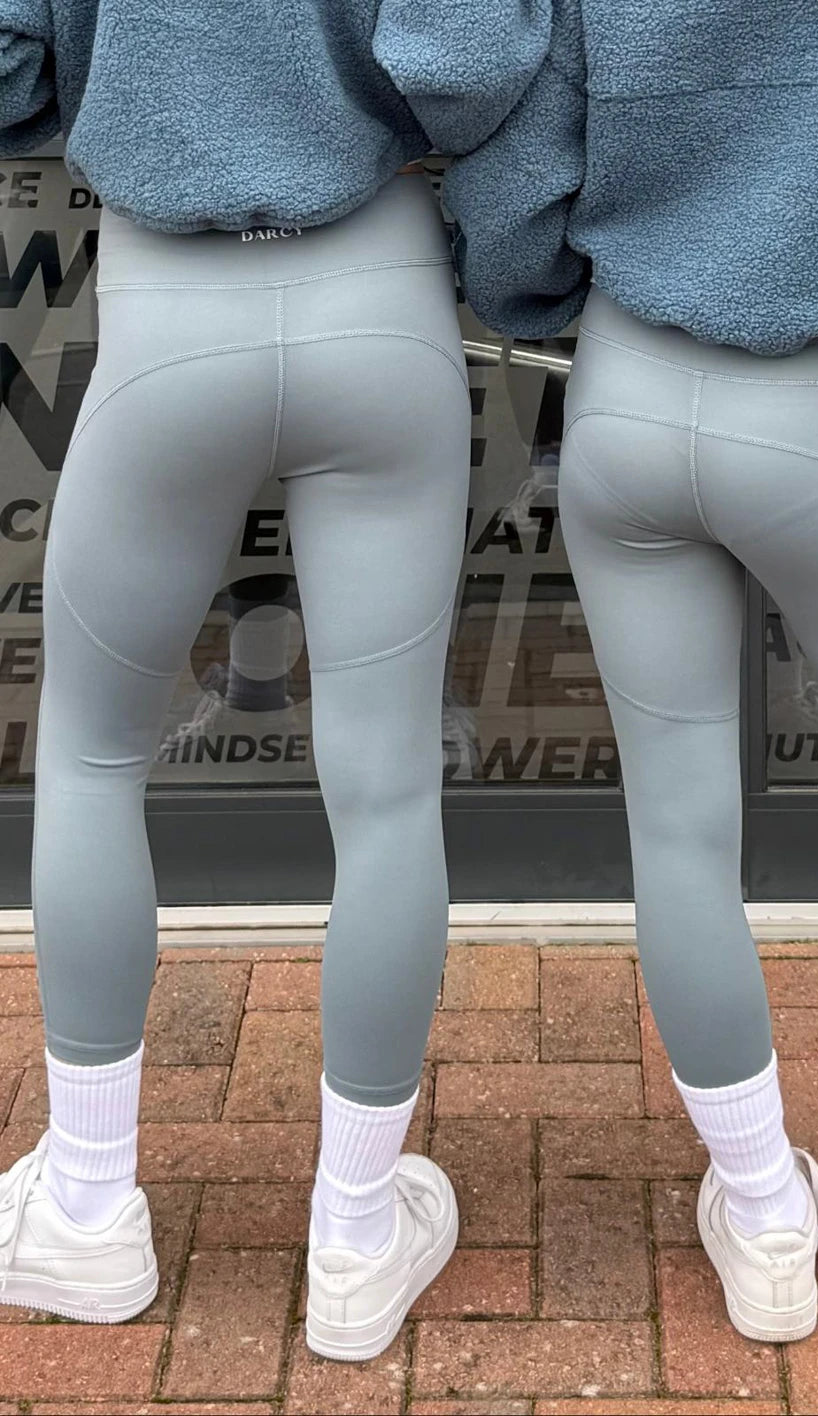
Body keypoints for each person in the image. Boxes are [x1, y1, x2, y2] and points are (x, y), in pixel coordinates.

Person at [400, 0, 818, 1340]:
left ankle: (763, 1216)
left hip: (625, 406)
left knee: (679, 833)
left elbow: (517, 177)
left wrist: (544, 290)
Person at [0, 0, 548, 1361]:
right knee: (386, 792)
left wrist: (140, 86)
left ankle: (86, 1206)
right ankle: (356, 1232)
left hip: (167, 313)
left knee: (90, 757)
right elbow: (479, 55)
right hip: (379, 289)